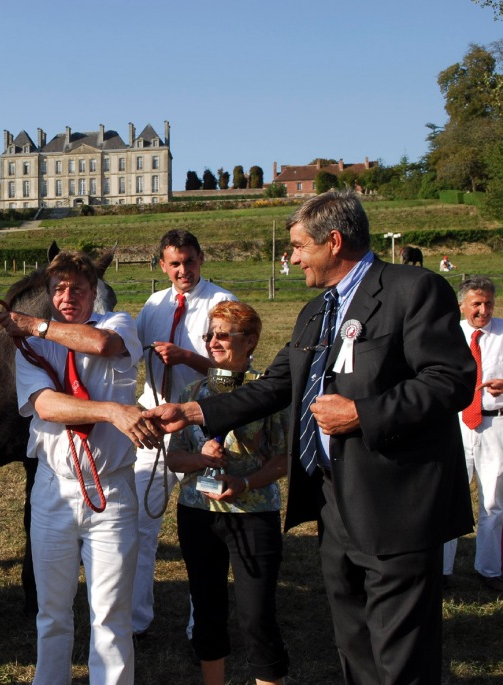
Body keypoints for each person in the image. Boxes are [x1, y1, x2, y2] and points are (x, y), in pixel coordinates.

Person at [145, 190, 474, 685]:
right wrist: (192, 410)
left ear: (333, 242)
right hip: (332, 502)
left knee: (401, 652)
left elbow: (450, 380)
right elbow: (276, 386)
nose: (292, 257)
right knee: (353, 641)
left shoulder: (413, 289)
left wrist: (363, 413)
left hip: (396, 503)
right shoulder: (316, 311)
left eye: (299, 246)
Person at [0, 249, 161, 685]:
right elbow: (46, 406)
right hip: (55, 490)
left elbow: (102, 346)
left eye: (78, 288)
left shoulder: (118, 324)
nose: (68, 296)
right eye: (59, 288)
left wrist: (34, 323)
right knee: (52, 611)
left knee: (110, 613)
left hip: (112, 492)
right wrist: (113, 412)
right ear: (49, 294)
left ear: (93, 294)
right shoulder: (29, 347)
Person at [166, 301, 290, 685]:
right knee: (207, 610)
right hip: (197, 512)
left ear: (251, 340)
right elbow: (174, 459)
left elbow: (286, 459)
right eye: (210, 334)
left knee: (256, 616)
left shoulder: (267, 391)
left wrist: (247, 482)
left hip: (253, 515)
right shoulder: (193, 391)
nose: (213, 342)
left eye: (223, 334)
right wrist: (200, 457)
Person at [132, 228, 235, 636]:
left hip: (205, 427)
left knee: (208, 526)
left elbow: (235, 375)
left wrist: (189, 357)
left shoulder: (222, 303)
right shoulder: (153, 304)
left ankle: (203, 626)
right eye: (174, 263)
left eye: (189, 261)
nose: (183, 270)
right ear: (162, 265)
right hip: (154, 425)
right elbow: (128, 357)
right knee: (140, 523)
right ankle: (137, 621)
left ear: (201, 259)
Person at [444, 276, 503, 592]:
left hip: (495, 424)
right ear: (462, 305)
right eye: (477, 304)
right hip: (456, 425)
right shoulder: (449, 336)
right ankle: (441, 570)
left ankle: (490, 569)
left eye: (489, 303)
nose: (483, 310)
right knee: (449, 495)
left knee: (493, 500)